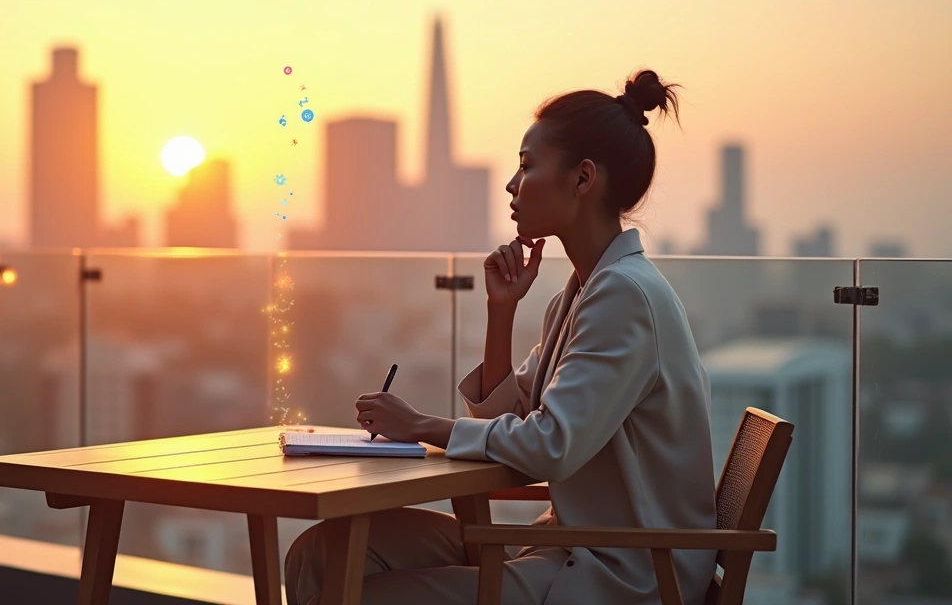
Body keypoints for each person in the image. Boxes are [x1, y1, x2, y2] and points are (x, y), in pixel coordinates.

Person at [284, 69, 719, 604]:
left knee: (357, 593)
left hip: (625, 574)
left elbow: (551, 446)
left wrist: (420, 424)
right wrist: (501, 312)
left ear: (583, 179)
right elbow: (503, 425)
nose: (512, 185)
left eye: (526, 166)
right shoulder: (583, 292)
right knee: (319, 554)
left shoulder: (624, 296)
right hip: (571, 549)